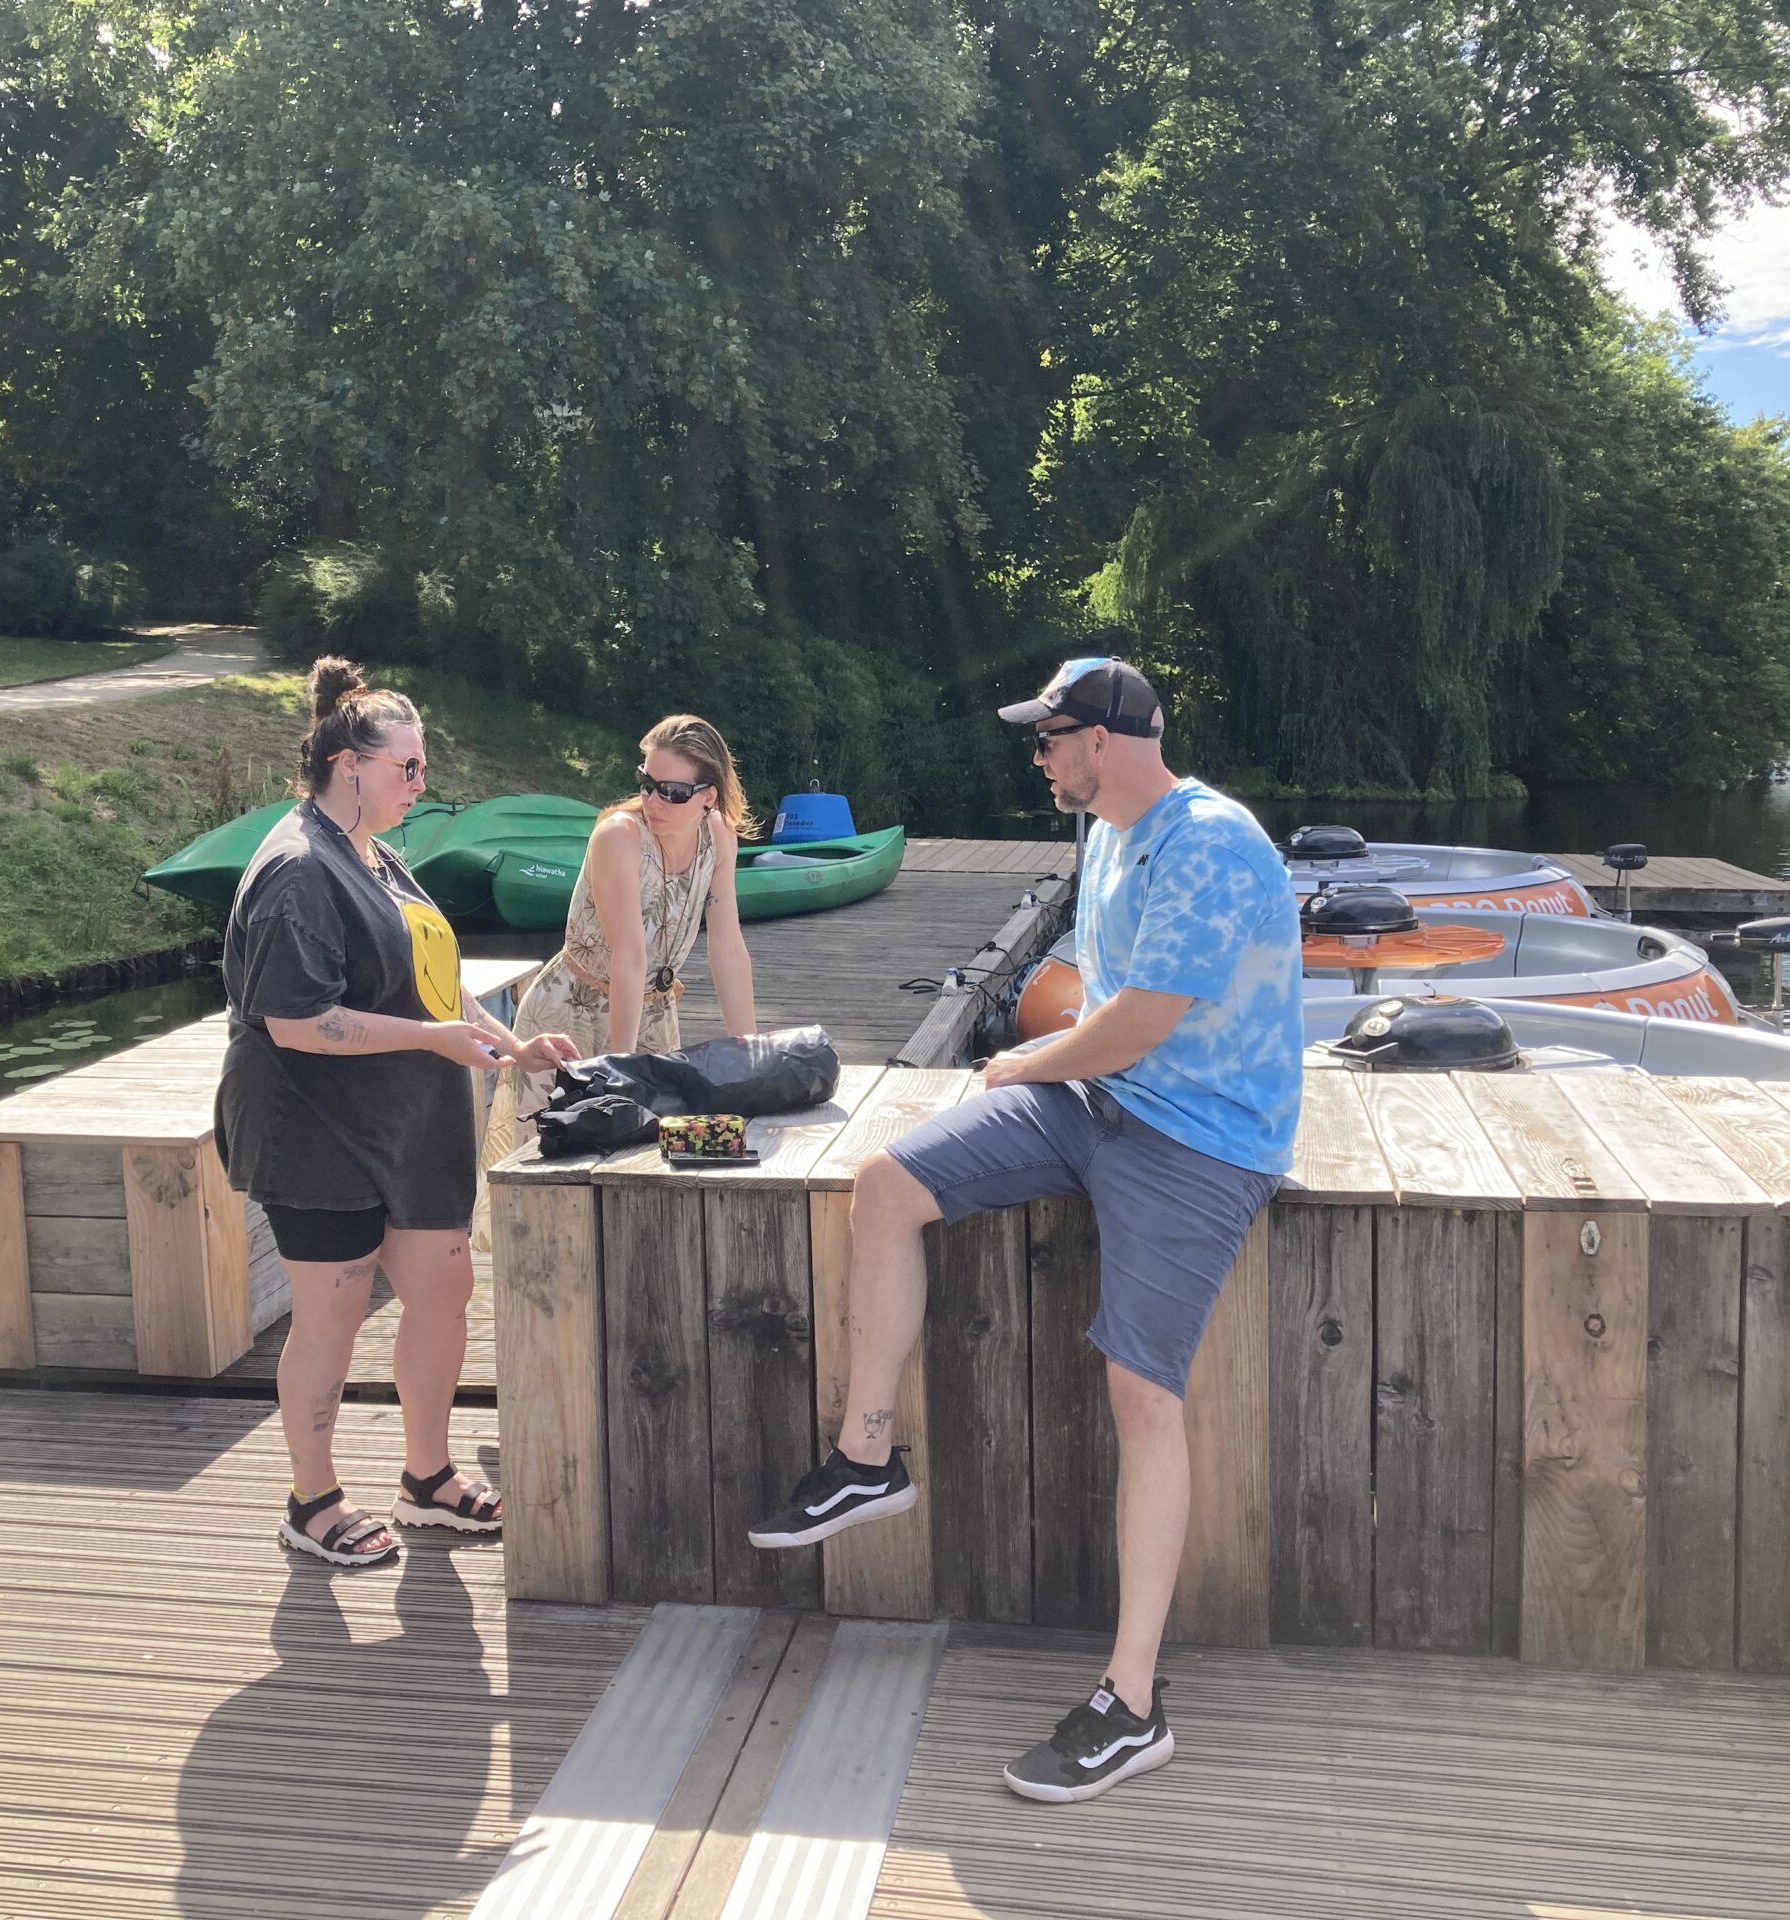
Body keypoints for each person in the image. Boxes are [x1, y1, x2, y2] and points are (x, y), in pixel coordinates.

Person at [748, 656, 1303, 1804]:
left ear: (1101, 739)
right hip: (1094, 1102)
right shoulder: (1105, 834)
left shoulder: (1208, 842)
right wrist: (1050, 1058)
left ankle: (1131, 1705)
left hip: (1203, 1137)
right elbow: (1100, 1007)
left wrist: (1021, 1062)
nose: (1037, 757)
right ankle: (865, 1462)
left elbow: (1140, 1023)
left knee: (1142, 1392)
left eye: (1047, 738)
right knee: (886, 1186)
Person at [216, 657, 578, 1567]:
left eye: (423, 767)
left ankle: (427, 1480)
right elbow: (297, 1023)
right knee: (331, 1318)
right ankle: (312, 1499)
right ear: (349, 766)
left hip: (408, 1126)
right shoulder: (298, 869)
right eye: (406, 768)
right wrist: (432, 1042)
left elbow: (434, 983)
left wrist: (512, 1047)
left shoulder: (374, 851)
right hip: (314, 1130)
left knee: (444, 1292)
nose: (421, 784)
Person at [480, 715, 760, 1171]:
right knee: (555, 1172)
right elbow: (629, 956)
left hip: (653, 1013)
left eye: (672, 791)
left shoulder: (720, 838)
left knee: (644, 1171)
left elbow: (727, 947)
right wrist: (622, 1071)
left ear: (709, 796)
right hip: (571, 1019)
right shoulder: (619, 836)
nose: (653, 800)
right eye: (647, 783)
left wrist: (752, 1060)